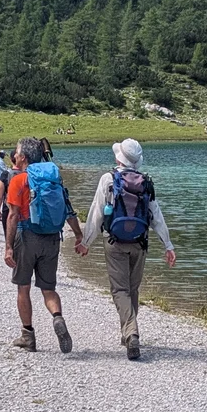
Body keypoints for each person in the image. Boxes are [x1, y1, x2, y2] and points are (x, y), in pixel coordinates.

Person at [77, 138, 175, 361]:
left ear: (118, 157)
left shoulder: (108, 179)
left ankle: (131, 333)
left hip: (114, 241)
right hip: (140, 242)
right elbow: (156, 216)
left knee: (120, 290)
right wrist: (168, 245)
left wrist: (86, 242)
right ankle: (127, 332)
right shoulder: (146, 182)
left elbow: (96, 213)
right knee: (132, 288)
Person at [1, 138, 81, 353]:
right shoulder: (53, 179)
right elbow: (67, 208)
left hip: (27, 236)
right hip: (52, 237)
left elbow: (12, 216)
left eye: (17, 153)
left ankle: (28, 336)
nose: (15, 156)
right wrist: (79, 235)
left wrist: (9, 246)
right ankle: (57, 317)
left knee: (23, 287)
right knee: (48, 288)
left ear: (24, 157)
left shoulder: (19, 180)